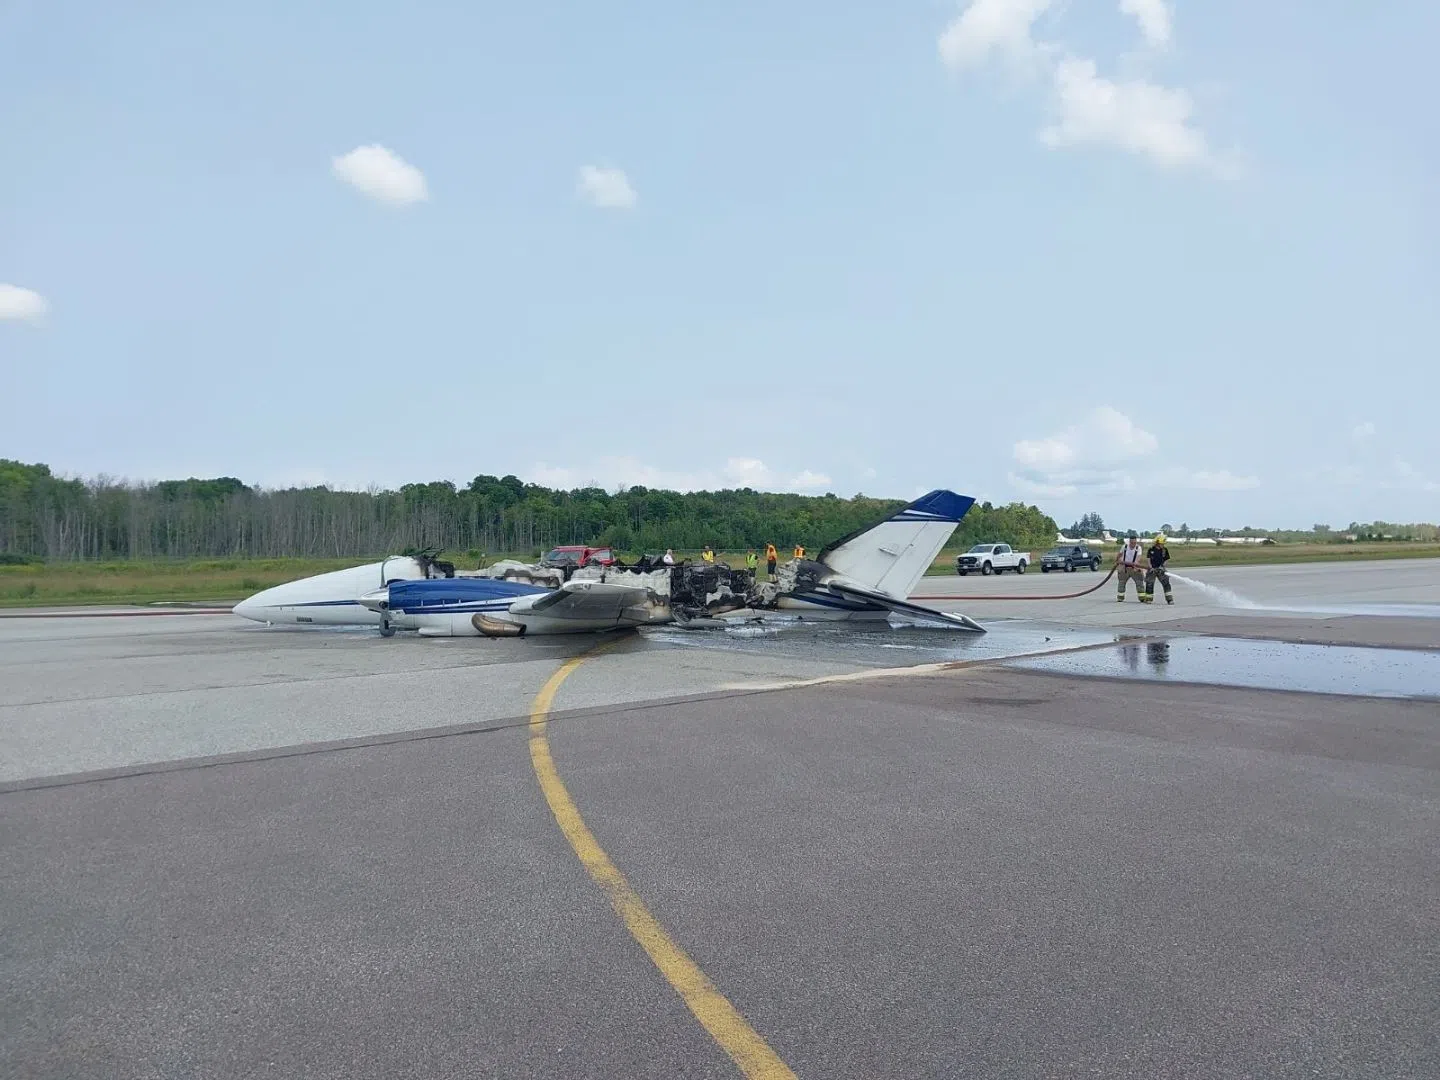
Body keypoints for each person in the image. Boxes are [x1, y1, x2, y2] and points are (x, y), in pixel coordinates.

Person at [1143, 533, 1173, 605]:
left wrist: (1162, 567)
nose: (1163, 545)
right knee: (1149, 584)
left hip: (1161, 569)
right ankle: (1149, 599)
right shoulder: (1151, 549)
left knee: (1166, 583)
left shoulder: (1165, 550)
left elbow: (1166, 560)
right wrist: (1151, 567)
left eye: (1163, 544)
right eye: (1161, 543)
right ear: (1157, 543)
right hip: (1152, 569)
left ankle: (1169, 600)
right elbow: (1149, 559)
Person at [1115, 530, 1145, 602]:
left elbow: (1138, 557)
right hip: (1124, 568)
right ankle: (1120, 597)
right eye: (1132, 543)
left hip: (1134, 568)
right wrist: (1117, 561)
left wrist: (1136, 565)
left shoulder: (1138, 548)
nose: (1133, 544)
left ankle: (1142, 598)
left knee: (1139, 583)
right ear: (1129, 542)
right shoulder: (1124, 547)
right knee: (1121, 583)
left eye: (1134, 543)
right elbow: (1119, 554)